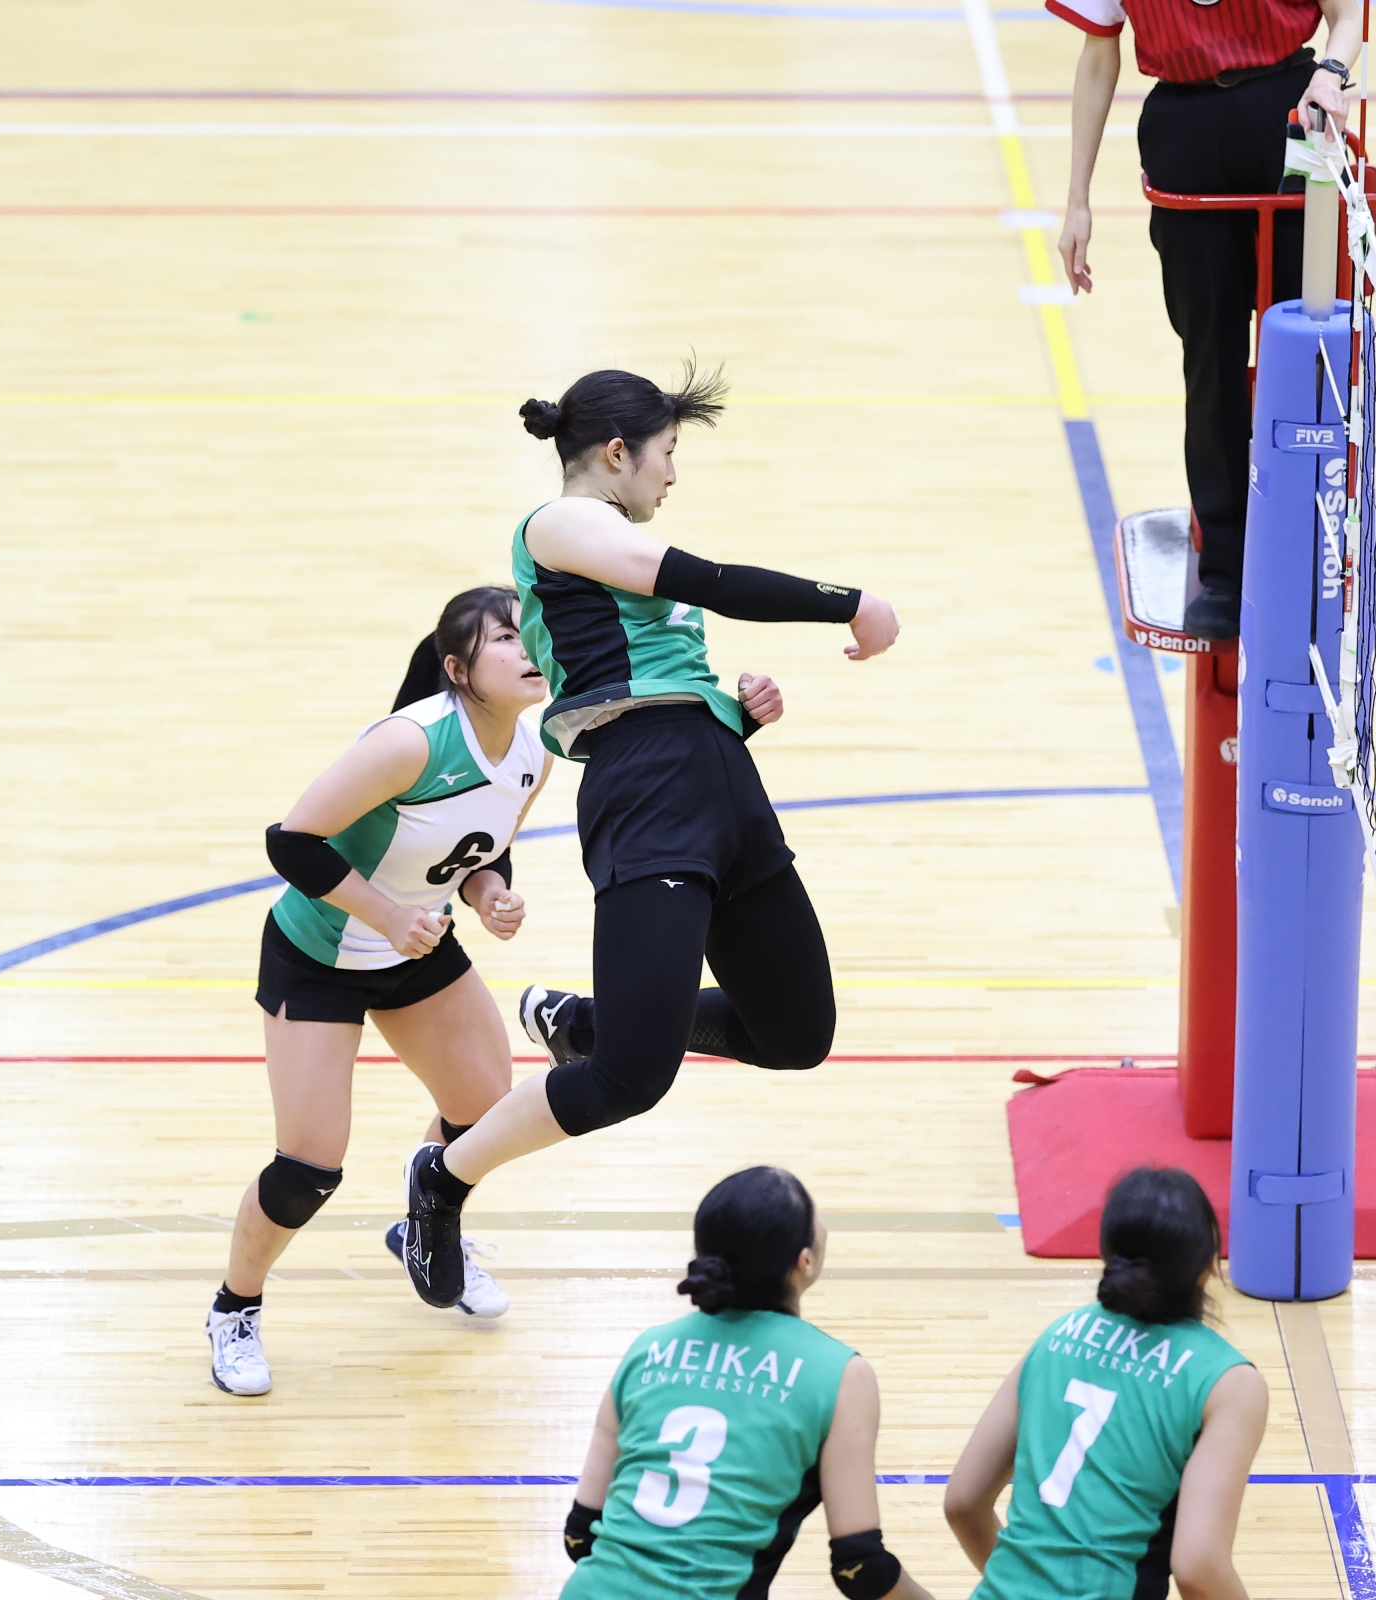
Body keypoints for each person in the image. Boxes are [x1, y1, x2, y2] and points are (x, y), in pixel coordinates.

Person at [392, 365, 899, 1310]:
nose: (672, 474)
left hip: (719, 779)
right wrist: (850, 600)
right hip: (649, 792)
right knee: (630, 1080)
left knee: (797, 1033)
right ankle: (445, 1178)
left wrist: (732, 711)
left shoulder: (617, 545)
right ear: (617, 453)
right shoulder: (558, 525)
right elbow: (709, 583)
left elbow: (654, 672)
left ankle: (582, 1021)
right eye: (666, 453)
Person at [207, 587, 552, 1395]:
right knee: (309, 1168)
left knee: (485, 1113)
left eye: (531, 632)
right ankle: (234, 1309)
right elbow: (292, 841)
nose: (529, 647)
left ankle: (424, 1222)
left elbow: (478, 851)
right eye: (506, 638)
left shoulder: (534, 750)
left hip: (415, 944)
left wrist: (489, 896)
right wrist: (390, 917)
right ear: (458, 669)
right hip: (320, 954)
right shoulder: (411, 742)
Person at [1049, 0, 1364, 638]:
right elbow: (1098, 54)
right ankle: (1226, 569)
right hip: (1185, 128)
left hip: (1292, 115)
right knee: (1211, 360)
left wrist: (1330, 72)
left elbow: (1348, 12)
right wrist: (1077, 200)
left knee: (1314, 353)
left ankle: (1326, 552)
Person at [558, 1167, 936, 1600]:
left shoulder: (650, 1347)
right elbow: (861, 1567)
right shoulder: (841, 1374)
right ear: (805, 1261)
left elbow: (580, 1536)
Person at [945, 1167, 1266, 1600]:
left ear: (1107, 1255)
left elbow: (963, 1503)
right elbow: (1198, 1567)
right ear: (1210, 1262)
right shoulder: (1228, 1382)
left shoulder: (1058, 1335)